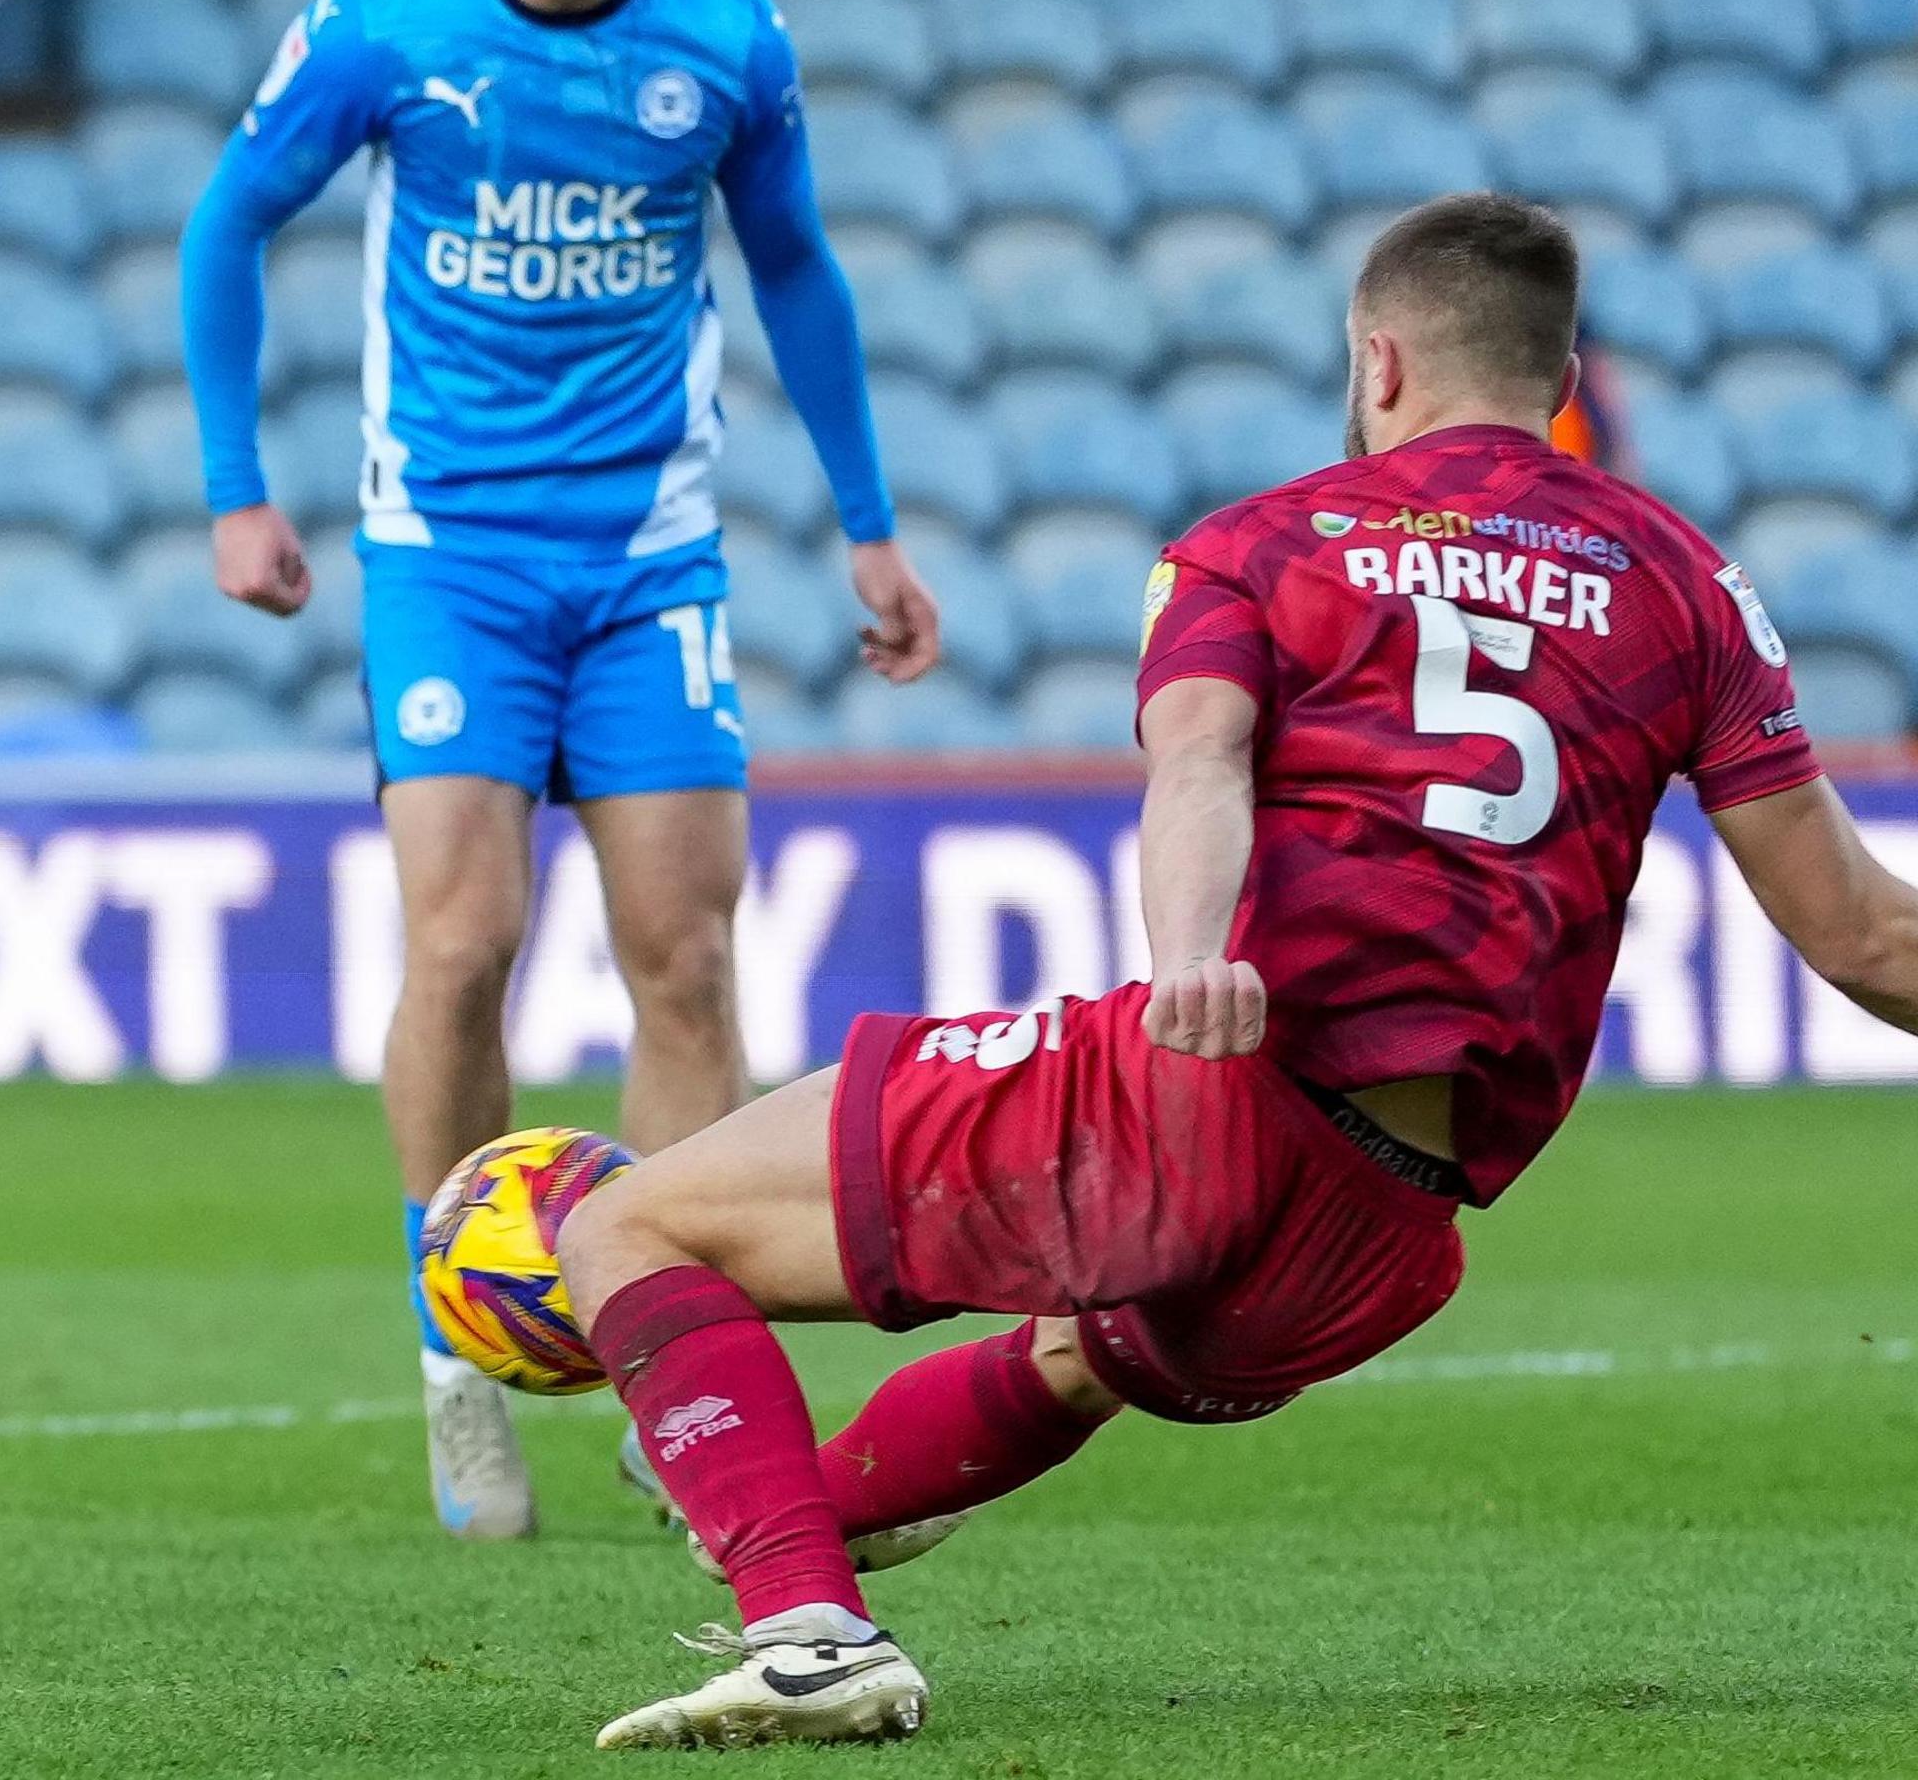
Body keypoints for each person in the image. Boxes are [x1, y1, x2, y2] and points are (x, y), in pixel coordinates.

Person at [471, 192, 1918, 1747]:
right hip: (1386, 1236)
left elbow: (1202, 765)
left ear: (1376, 361)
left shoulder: (1270, 542)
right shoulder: (1683, 581)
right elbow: (1864, 935)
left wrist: (1197, 954)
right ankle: (794, 1518)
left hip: (1221, 1092)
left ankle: (811, 1631)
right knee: (1077, 1353)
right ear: (1558, 371)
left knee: (628, 1220)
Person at [174, 0, 940, 1543]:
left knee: (683, 951)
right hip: (446, 556)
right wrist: (233, 493)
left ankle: (683, 1365)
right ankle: (460, 1347)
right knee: (464, 938)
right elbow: (225, 225)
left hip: (652, 557)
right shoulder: (379, 29)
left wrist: (866, 521)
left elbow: (800, 274)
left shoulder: (727, 38)